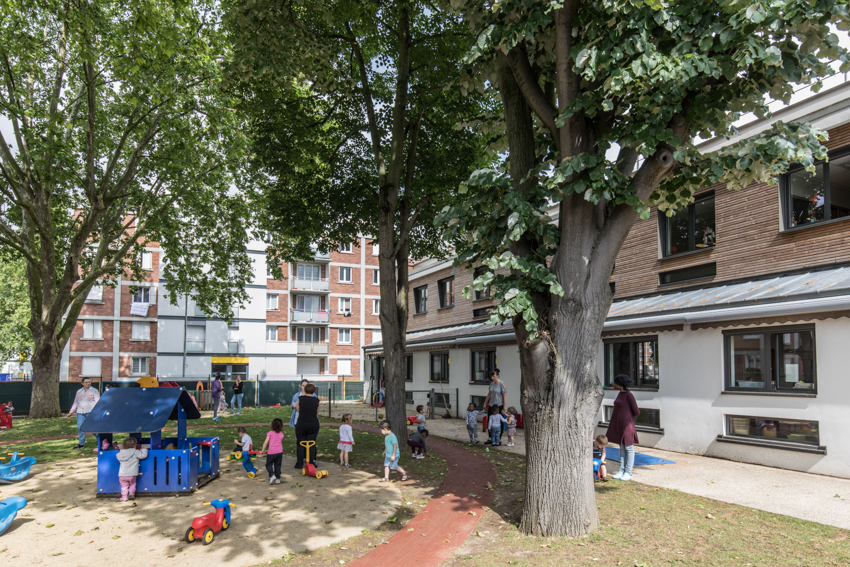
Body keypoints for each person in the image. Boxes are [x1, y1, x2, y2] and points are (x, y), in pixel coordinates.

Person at [606, 374, 640, 481]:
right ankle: (621, 470)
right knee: (621, 447)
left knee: (629, 448)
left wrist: (626, 417)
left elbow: (636, 411)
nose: (613, 384)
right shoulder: (619, 394)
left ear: (620, 384)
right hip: (620, 425)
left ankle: (628, 472)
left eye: (615, 383)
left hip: (627, 426)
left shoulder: (629, 395)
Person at [66, 377, 100, 449]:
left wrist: (97, 412)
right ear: (82, 383)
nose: (88, 383)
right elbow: (75, 402)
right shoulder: (79, 391)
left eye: (89, 382)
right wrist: (71, 412)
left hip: (90, 412)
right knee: (80, 428)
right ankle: (81, 444)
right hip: (80, 413)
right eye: (86, 382)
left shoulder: (94, 391)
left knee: (93, 428)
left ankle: (100, 440)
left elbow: (98, 402)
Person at [294, 383, 320, 469]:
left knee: (300, 443)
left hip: (302, 423)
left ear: (305, 390)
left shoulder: (300, 398)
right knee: (312, 443)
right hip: (313, 424)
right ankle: (311, 462)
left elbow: (297, 409)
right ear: (314, 390)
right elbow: (317, 412)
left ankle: (299, 463)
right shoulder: (317, 400)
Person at [116, 437, 148, 502]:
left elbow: (118, 456)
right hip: (132, 473)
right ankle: (131, 494)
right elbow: (143, 455)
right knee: (132, 484)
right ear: (134, 445)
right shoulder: (135, 452)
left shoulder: (121, 453)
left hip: (122, 474)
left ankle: (124, 497)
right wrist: (144, 449)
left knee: (124, 486)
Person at [483, 370, 507, 444]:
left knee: (499, 421)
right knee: (490, 420)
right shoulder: (491, 384)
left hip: (499, 405)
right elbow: (489, 394)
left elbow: (505, 397)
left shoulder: (502, 384)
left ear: (498, 376)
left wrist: (504, 408)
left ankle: (498, 439)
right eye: (491, 376)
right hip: (491, 405)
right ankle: (490, 438)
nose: (492, 378)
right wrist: (485, 403)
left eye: (494, 376)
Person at [261, 418, 285, 484]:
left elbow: (265, 442)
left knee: (268, 464)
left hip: (271, 452)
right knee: (278, 465)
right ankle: (278, 478)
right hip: (279, 452)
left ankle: (272, 475)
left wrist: (263, 450)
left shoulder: (270, 433)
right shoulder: (281, 434)